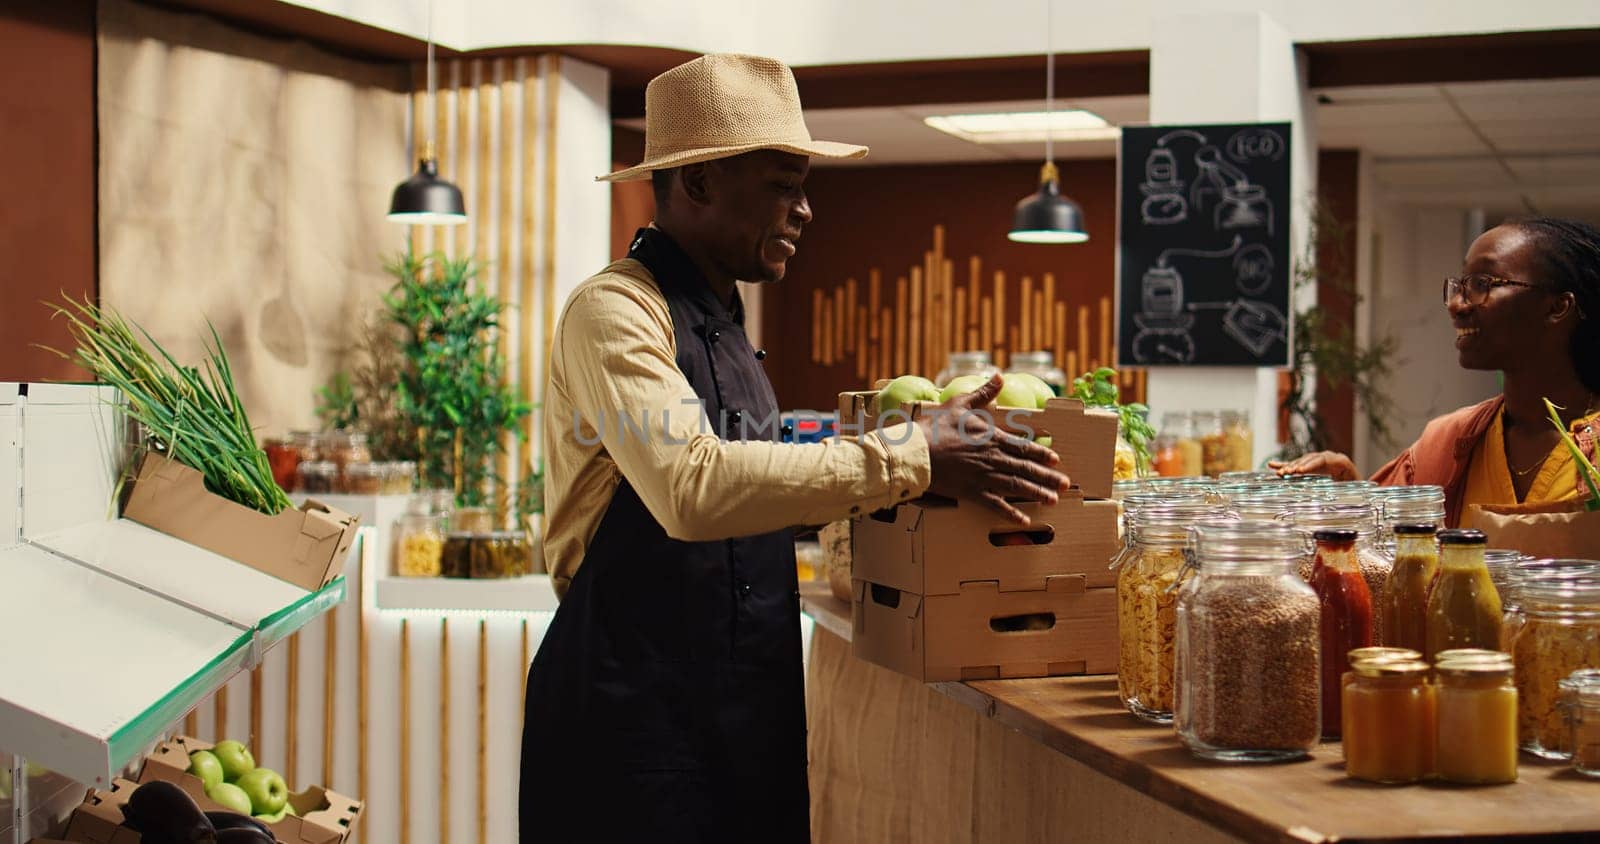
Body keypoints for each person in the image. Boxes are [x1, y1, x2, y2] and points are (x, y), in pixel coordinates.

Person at [519, 54, 1070, 841]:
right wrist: (912, 454)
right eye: (784, 185)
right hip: (629, 725)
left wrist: (918, 456)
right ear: (701, 182)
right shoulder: (614, 313)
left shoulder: (732, 327)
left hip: (748, 718)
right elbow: (693, 487)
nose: (806, 210)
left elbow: (761, 488)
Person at [1271, 217, 1599, 526]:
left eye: (1483, 283)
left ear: (1557, 307)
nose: (1456, 304)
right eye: (1459, 285)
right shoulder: (1449, 442)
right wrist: (1349, 499)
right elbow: (1391, 557)